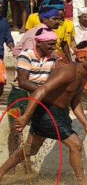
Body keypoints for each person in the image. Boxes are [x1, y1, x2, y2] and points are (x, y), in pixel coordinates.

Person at [0, 39, 87, 185]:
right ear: (82, 58)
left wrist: (86, 124)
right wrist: (26, 116)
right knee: (75, 144)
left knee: (30, 150)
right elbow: (41, 90)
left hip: (59, 113)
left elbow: (75, 102)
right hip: (47, 112)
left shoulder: (84, 77)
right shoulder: (67, 71)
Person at [6, 27, 57, 158]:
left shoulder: (53, 59)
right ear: (39, 43)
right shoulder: (26, 55)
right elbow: (23, 82)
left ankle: (24, 160)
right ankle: (12, 162)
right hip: (19, 95)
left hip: (39, 95)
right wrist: (44, 90)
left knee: (35, 130)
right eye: (50, 44)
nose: (53, 47)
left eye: (54, 44)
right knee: (15, 129)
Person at [0, 0, 14, 97]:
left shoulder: (4, 21)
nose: (0, 6)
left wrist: (12, 47)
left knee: (1, 82)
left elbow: (8, 38)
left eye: (1, 3)